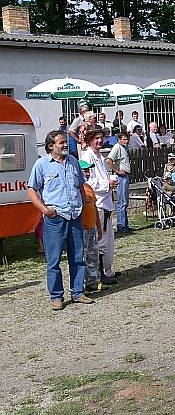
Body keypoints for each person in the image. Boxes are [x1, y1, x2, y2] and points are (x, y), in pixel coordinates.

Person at [27, 130, 93, 310]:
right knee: (54, 260)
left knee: (77, 256)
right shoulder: (41, 164)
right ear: (51, 146)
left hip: (74, 215)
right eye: (61, 142)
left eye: (65, 142)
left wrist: (83, 206)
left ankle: (78, 292)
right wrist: (45, 210)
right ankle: (56, 296)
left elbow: (80, 185)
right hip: (55, 218)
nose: (65, 145)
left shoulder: (73, 161)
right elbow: (32, 190)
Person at [81, 129, 118, 285]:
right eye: (96, 138)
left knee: (108, 241)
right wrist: (106, 184)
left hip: (106, 203)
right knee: (100, 240)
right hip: (98, 204)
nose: (99, 141)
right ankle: (100, 273)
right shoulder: (86, 157)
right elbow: (87, 182)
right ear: (90, 140)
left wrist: (110, 182)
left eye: (101, 138)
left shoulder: (100, 157)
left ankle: (107, 270)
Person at [78, 160, 103, 292]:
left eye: (88, 170)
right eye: (85, 170)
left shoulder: (88, 187)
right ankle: (81, 284)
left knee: (93, 255)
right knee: (82, 257)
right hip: (82, 229)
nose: (87, 173)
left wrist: (98, 227)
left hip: (91, 228)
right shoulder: (76, 188)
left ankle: (93, 281)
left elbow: (94, 207)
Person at [106, 133, 131, 233]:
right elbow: (109, 160)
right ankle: (121, 226)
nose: (126, 141)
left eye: (127, 139)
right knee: (121, 201)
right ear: (119, 139)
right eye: (124, 139)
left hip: (125, 175)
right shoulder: (117, 147)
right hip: (121, 177)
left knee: (125, 201)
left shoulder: (124, 148)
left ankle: (125, 224)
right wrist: (117, 171)